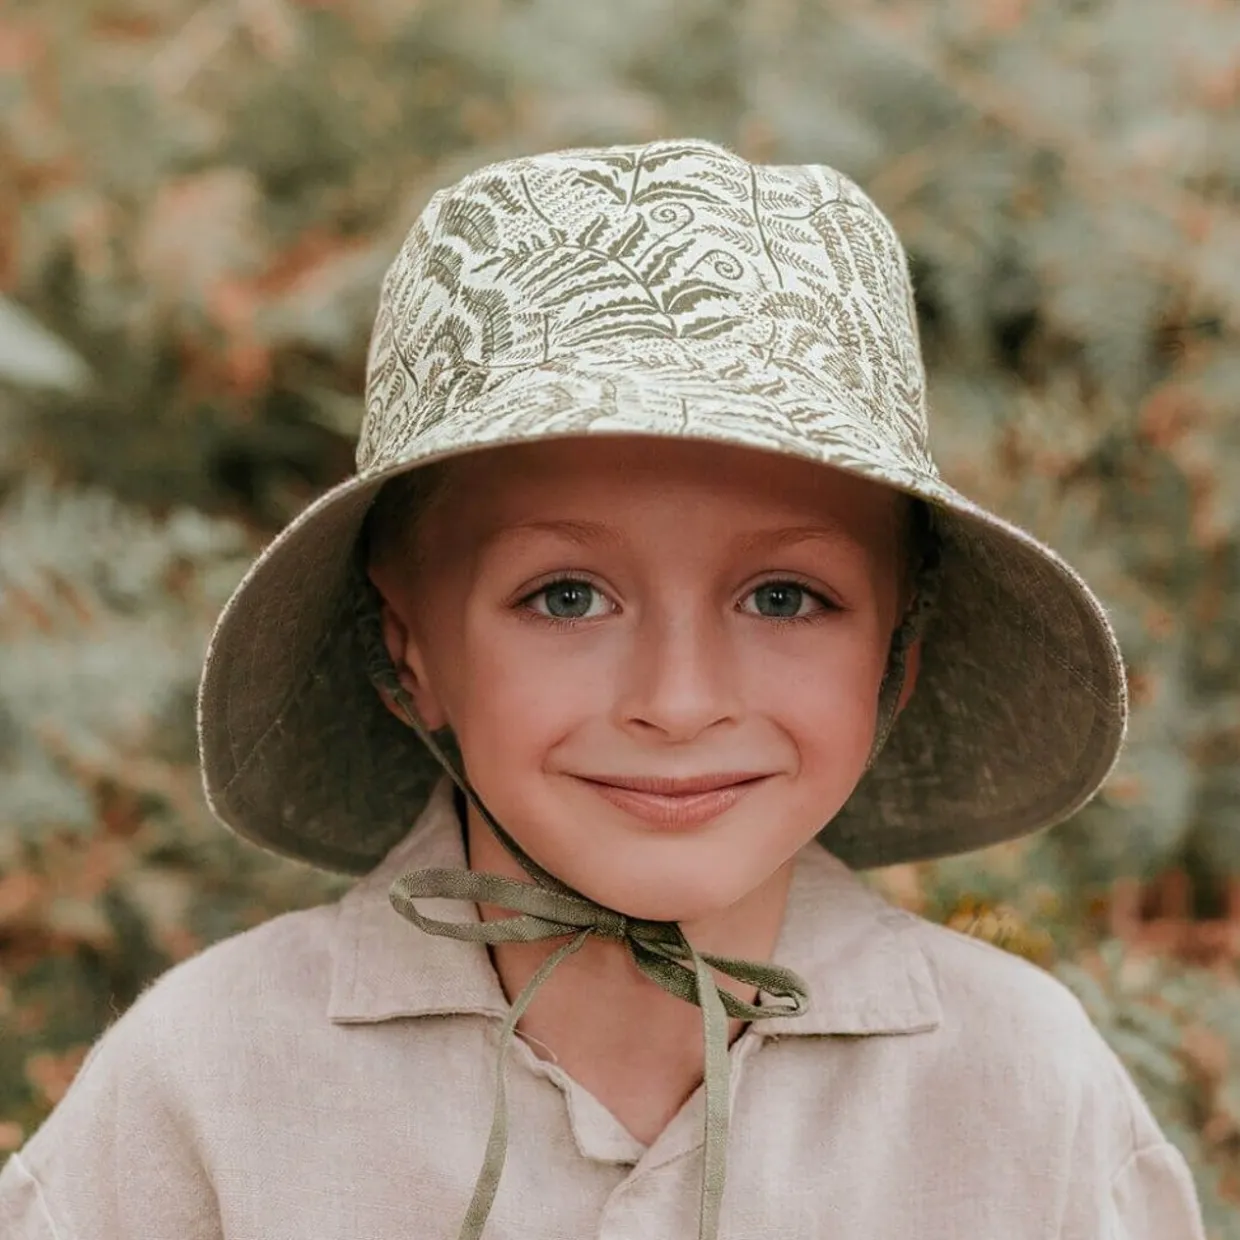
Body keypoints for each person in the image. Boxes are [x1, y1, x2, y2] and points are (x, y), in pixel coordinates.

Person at [0, 138, 1207, 1240]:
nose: (678, 701)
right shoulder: (209, 1081)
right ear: (406, 642)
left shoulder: (1021, 1090)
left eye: (783, 597)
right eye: (566, 596)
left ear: (898, 648)